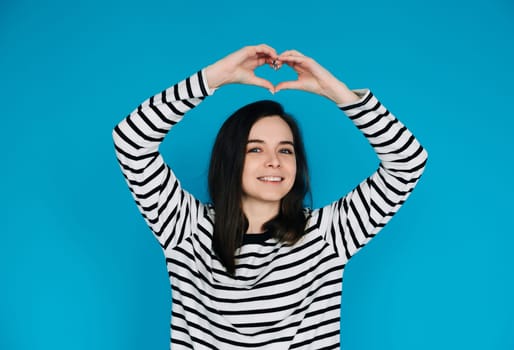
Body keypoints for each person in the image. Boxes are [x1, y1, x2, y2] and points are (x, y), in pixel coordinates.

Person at [112, 44, 428, 349]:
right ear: (231, 159)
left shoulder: (326, 234)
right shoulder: (186, 229)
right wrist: (215, 77)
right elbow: (131, 140)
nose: (273, 161)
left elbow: (407, 162)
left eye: (285, 150)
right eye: (255, 148)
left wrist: (339, 94)